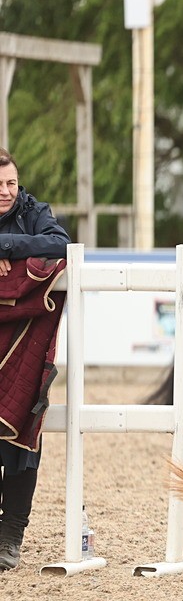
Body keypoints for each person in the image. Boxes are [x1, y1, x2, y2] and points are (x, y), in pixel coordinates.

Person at [0, 147, 70, 571]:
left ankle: (10, 539)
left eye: (11, 183)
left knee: (25, 439)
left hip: (27, 346)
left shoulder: (33, 209)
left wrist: (7, 245)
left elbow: (59, 245)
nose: (7, 192)